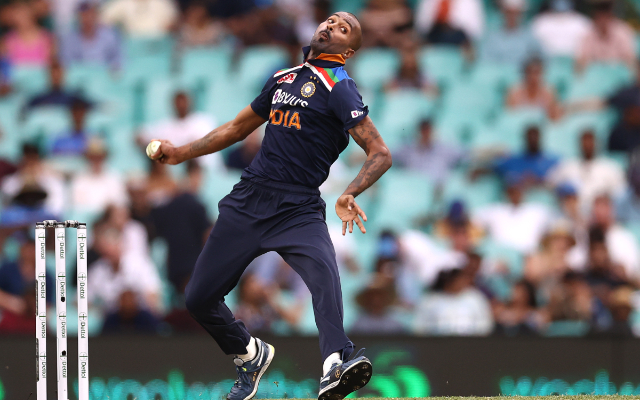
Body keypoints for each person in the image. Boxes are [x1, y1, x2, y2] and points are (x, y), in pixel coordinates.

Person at [150, 12, 391, 400]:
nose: (330, 26)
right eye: (330, 20)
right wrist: (180, 153)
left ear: (348, 52)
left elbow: (379, 152)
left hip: (297, 206)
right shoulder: (283, 78)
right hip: (250, 198)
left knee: (323, 275)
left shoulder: (340, 86)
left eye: (343, 28)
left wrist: (350, 192)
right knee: (198, 298)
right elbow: (235, 128)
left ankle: (336, 361)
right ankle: (249, 354)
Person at [138, 91, 223, 169]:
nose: (181, 105)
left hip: (206, 170)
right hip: (177, 174)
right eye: (178, 102)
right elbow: (140, 135)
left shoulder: (204, 121)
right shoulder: (165, 125)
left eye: (184, 101)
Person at [548, 130, 627, 214]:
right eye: (584, 141)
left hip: (599, 215)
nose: (587, 145)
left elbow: (620, 193)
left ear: (597, 143)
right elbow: (550, 183)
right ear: (579, 144)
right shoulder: (568, 166)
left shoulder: (610, 168)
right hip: (572, 214)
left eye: (590, 141)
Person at [473, 179, 552, 253]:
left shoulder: (538, 210)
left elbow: (555, 227)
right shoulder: (495, 210)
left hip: (531, 254)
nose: (515, 194)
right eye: (512, 191)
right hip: (501, 256)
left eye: (517, 190)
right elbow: (474, 220)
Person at [413, 268, 494, 335]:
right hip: (438, 345)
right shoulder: (431, 300)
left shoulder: (475, 298)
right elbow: (420, 326)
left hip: (469, 345)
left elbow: (484, 325)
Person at [393, 119, 465, 184]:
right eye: (423, 131)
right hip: (412, 188)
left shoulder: (445, 149)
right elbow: (389, 155)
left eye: (428, 131)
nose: (426, 135)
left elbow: (464, 156)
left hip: (437, 189)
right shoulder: (407, 150)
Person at [69, 138, 128, 213]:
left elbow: (120, 203)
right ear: (87, 158)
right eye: (93, 157)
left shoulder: (115, 177)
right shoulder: (78, 178)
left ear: (104, 157)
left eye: (99, 157)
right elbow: (77, 206)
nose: (96, 160)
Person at [576, 0, 636, 71]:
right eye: (599, 9)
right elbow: (581, 62)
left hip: (619, 77)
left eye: (605, 9)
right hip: (596, 77)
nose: (602, 15)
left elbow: (631, 62)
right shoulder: (588, 34)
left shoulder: (622, 32)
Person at [60, 1, 122, 70]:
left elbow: (119, 61)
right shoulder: (69, 40)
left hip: (105, 79)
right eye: (84, 14)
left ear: (96, 14)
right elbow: (66, 66)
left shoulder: (109, 36)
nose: (88, 17)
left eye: (91, 12)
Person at [480, 0, 542, 66]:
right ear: (502, 12)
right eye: (509, 12)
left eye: (516, 13)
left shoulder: (530, 38)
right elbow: (486, 64)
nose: (512, 16)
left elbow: (539, 61)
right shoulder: (492, 38)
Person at [494, 126, 559, 186]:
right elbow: (494, 169)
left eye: (535, 137)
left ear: (540, 138)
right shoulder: (513, 161)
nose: (532, 141)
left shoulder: (551, 162)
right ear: (525, 139)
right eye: (530, 138)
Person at [23, 61, 92, 113]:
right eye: (53, 74)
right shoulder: (40, 99)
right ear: (48, 75)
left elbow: (91, 106)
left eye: (58, 74)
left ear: (64, 75)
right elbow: (26, 110)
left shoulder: (73, 98)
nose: (56, 77)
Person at [2, 2, 53, 67]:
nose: (22, 19)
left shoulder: (46, 37)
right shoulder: (9, 40)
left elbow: (50, 65)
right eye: (18, 16)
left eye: (24, 15)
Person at [100, 0, 178, 37]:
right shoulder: (122, 3)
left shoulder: (162, 3)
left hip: (157, 49)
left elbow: (173, 21)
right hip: (132, 50)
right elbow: (102, 19)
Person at [415, 0, 484, 40]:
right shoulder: (428, 1)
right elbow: (420, 27)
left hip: (459, 40)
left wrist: (453, 23)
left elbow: (477, 31)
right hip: (434, 37)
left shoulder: (471, 2)